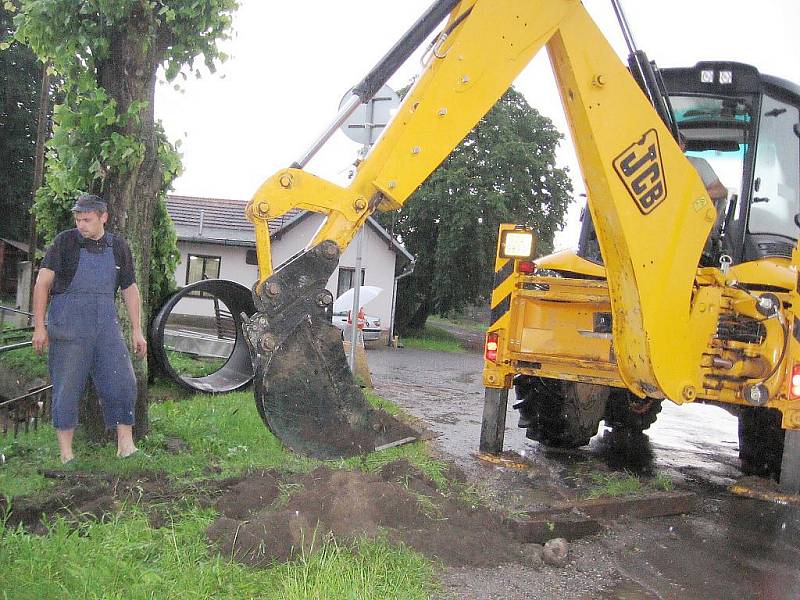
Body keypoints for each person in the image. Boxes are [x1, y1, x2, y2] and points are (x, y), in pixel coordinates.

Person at [32, 194, 147, 464]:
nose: (81, 224)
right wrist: (39, 327)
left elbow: (130, 289)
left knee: (123, 381)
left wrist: (137, 330)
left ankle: (125, 445)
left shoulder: (118, 247)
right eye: (78, 219)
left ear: (103, 217)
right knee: (67, 388)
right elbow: (41, 284)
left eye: (87, 219)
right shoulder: (65, 243)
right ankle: (66, 454)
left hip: (106, 327)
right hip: (69, 328)